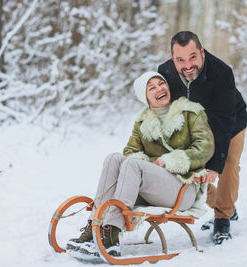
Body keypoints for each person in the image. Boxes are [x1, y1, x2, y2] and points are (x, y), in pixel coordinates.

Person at [66, 71, 214, 256]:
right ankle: (95, 226)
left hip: (183, 188)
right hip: (154, 189)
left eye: (161, 84)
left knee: (132, 165)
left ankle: (112, 233)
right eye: (152, 87)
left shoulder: (190, 112)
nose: (159, 88)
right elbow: (129, 152)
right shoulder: (143, 122)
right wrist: (153, 165)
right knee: (114, 158)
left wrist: (169, 161)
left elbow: (205, 147)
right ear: (145, 97)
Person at [158, 31, 247, 245]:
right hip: (193, 127)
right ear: (172, 59)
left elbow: (224, 120)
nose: (188, 66)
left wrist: (215, 165)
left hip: (230, 122)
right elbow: (162, 109)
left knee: (228, 163)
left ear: (201, 52)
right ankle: (225, 206)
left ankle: (223, 218)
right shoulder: (165, 72)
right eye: (180, 60)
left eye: (193, 57)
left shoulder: (222, 72)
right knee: (192, 170)